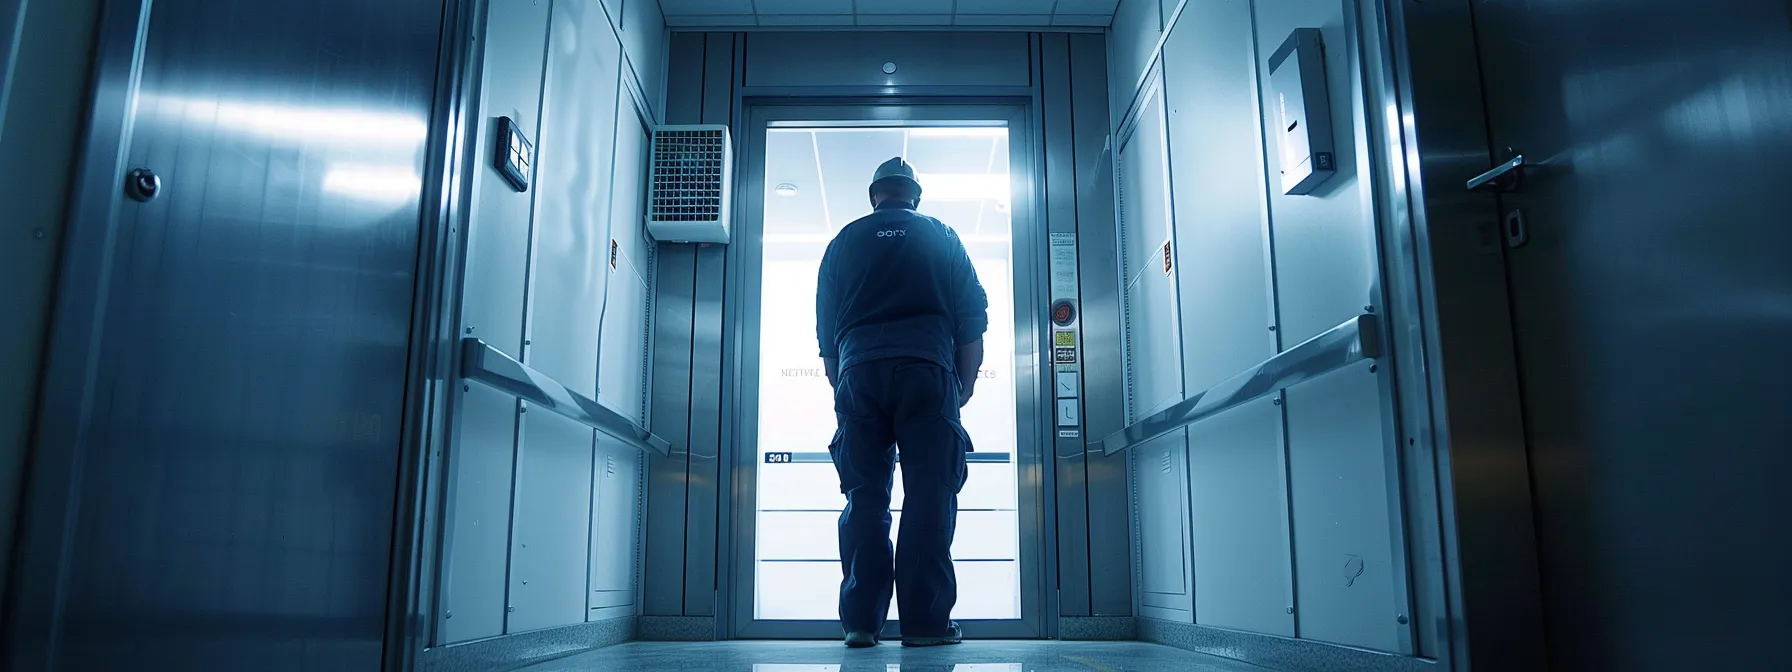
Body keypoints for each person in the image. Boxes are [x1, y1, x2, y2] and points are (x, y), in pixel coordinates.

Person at [815, 157, 989, 649]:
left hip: (858, 372)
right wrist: (964, 385)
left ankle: (861, 624)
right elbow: (972, 322)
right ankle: (925, 625)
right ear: (914, 196)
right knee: (930, 495)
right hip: (927, 371)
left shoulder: (843, 242)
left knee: (865, 497)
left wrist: (844, 383)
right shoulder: (942, 235)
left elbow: (826, 337)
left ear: (875, 196)